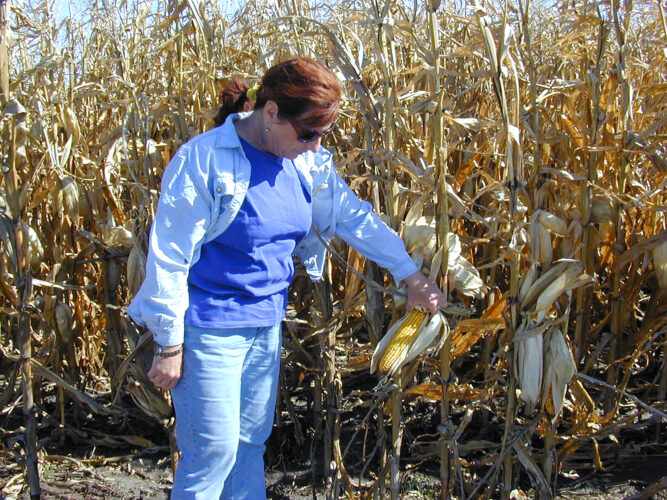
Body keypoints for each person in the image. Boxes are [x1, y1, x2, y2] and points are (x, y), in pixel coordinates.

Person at [127, 56, 447, 499]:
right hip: (209, 329)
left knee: (249, 447)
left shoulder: (304, 163)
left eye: (324, 134)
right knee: (211, 455)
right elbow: (170, 256)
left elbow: (351, 216)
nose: (316, 146)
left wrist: (411, 275)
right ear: (272, 112)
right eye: (308, 133)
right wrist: (169, 345)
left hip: (265, 327)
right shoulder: (204, 160)